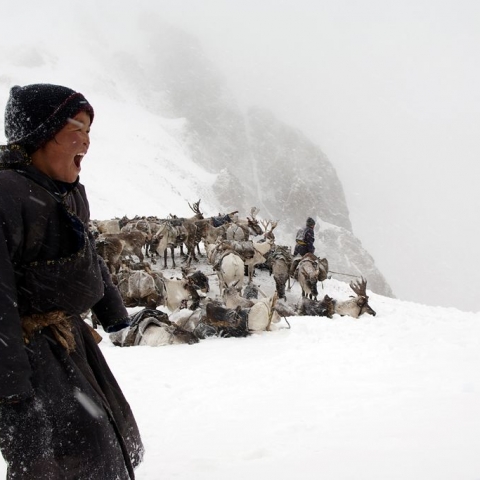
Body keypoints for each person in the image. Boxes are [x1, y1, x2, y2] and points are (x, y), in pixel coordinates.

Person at [0, 84, 144, 479]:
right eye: (76, 128)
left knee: (106, 442)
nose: (87, 142)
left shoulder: (68, 193)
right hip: (29, 354)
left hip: (70, 344)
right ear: (41, 135)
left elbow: (87, 255)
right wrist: (14, 396)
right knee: (62, 457)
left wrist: (112, 310)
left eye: (89, 131)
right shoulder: (7, 195)